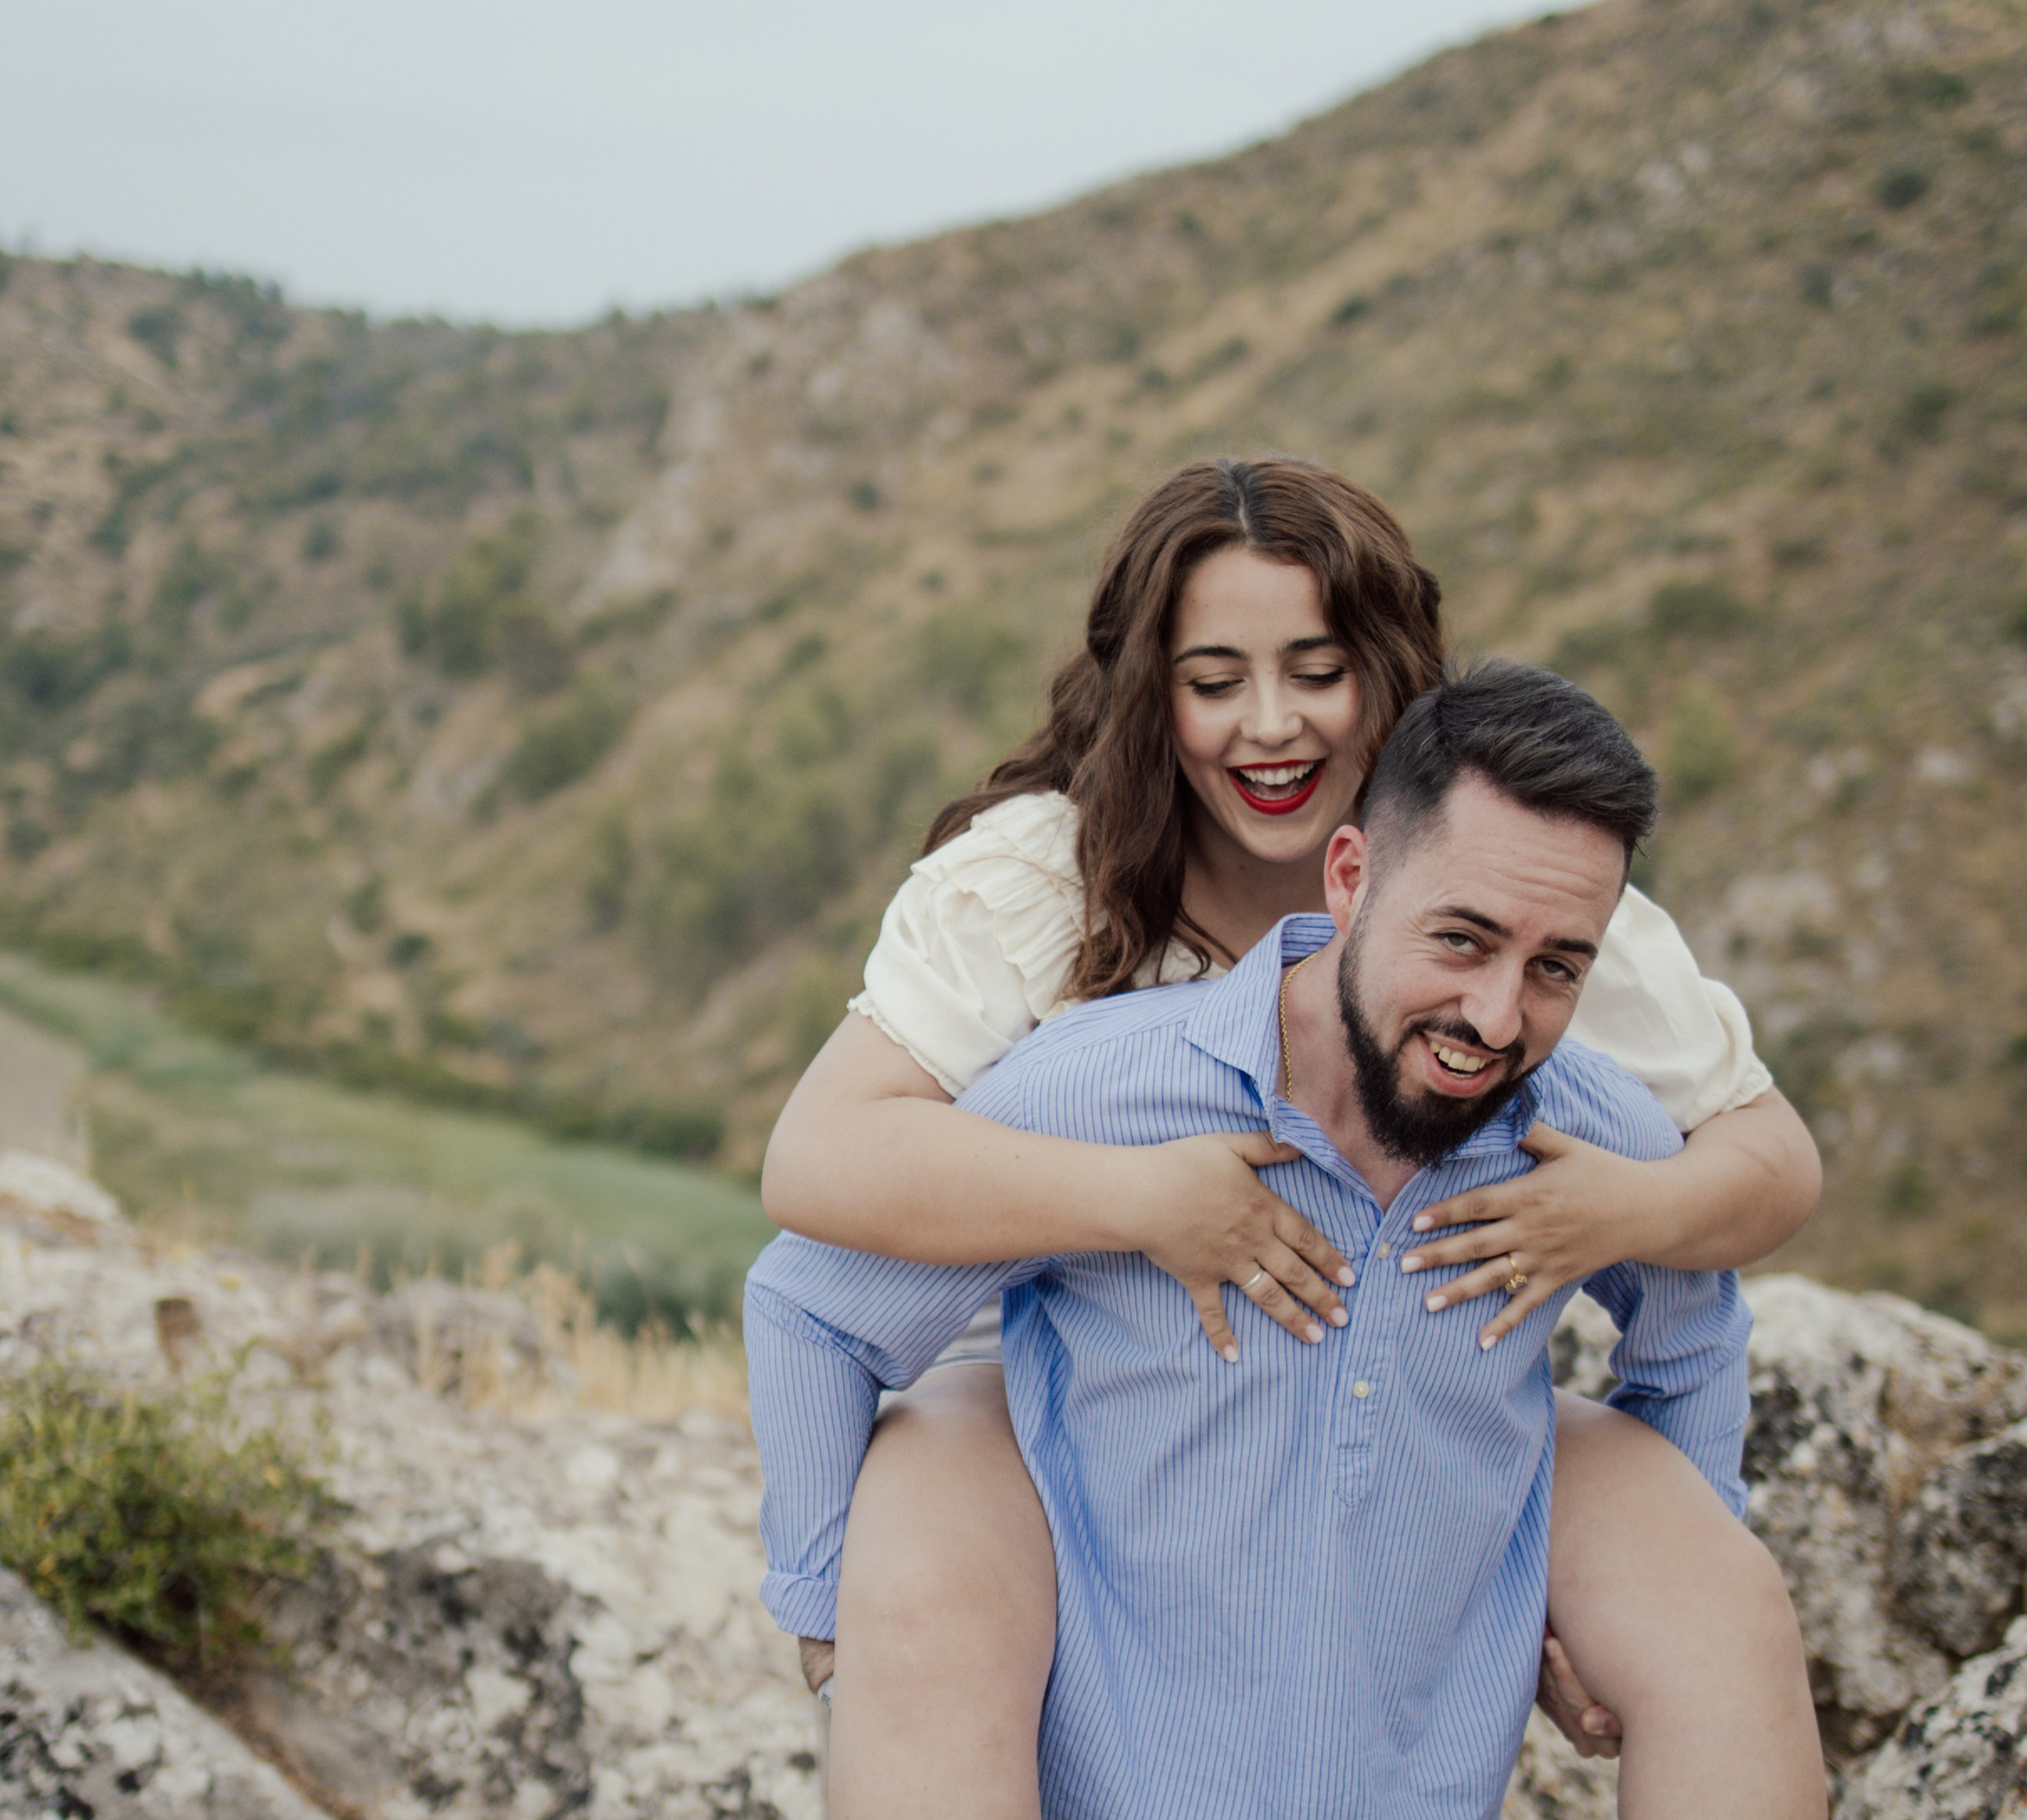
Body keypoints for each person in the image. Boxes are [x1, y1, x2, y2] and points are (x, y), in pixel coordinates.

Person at [760, 458, 1827, 1818]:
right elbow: (818, 1173)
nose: (1269, 723)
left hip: (1414, 1355)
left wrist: (1618, 1215)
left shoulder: (1516, 885)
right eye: (1215, 680)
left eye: (1315, 669)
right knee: (936, 1571)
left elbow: (1766, 1164)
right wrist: (1144, 1200)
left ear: (1385, 676)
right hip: (1064, 1368)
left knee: (1701, 1586)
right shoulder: (1042, 878)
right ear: (1156, 691)